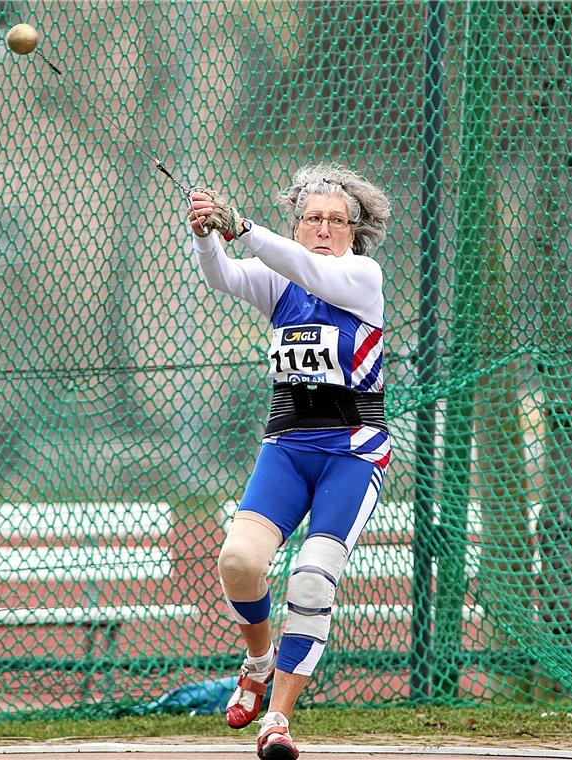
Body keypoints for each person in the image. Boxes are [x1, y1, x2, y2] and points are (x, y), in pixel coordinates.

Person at [185, 164, 392, 760]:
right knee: (239, 561)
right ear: (296, 225)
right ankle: (257, 658)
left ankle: (276, 719)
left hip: (351, 454)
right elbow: (221, 274)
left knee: (310, 577)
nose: (324, 229)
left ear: (355, 230)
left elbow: (303, 267)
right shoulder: (280, 282)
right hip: (288, 448)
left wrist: (242, 225)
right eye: (312, 219)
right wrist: (206, 232)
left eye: (336, 220)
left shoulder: (360, 277)